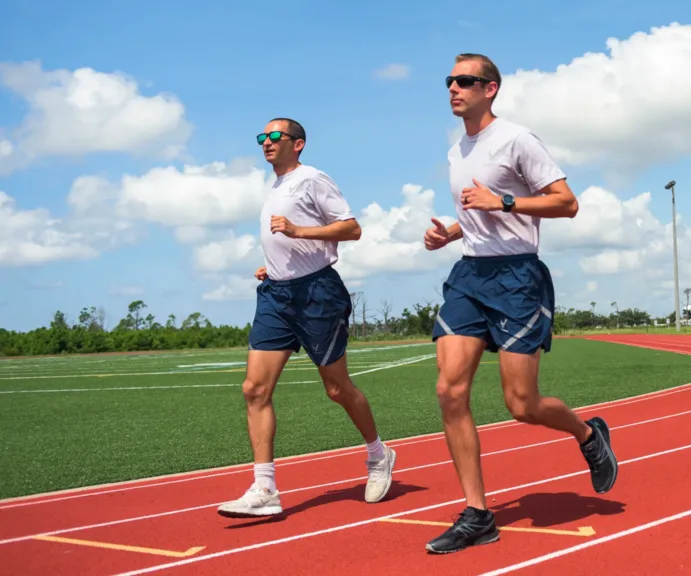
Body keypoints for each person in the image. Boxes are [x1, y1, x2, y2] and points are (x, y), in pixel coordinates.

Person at [421, 53, 619, 554]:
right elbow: (476, 214)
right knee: (449, 391)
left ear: (490, 89)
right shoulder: (455, 152)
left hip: (517, 277)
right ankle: (478, 513)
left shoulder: (517, 140)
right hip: (470, 274)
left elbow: (566, 203)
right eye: (449, 81)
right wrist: (451, 233)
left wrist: (505, 202)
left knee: (521, 404)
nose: (454, 88)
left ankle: (588, 434)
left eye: (465, 81)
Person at [216, 118, 396, 518]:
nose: (266, 142)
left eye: (275, 136)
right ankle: (265, 488)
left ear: (298, 144)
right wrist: (272, 266)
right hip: (276, 296)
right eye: (261, 137)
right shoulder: (275, 188)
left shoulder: (312, 178)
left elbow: (352, 229)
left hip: (317, 293)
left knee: (336, 389)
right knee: (254, 389)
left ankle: (378, 454)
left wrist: (298, 232)